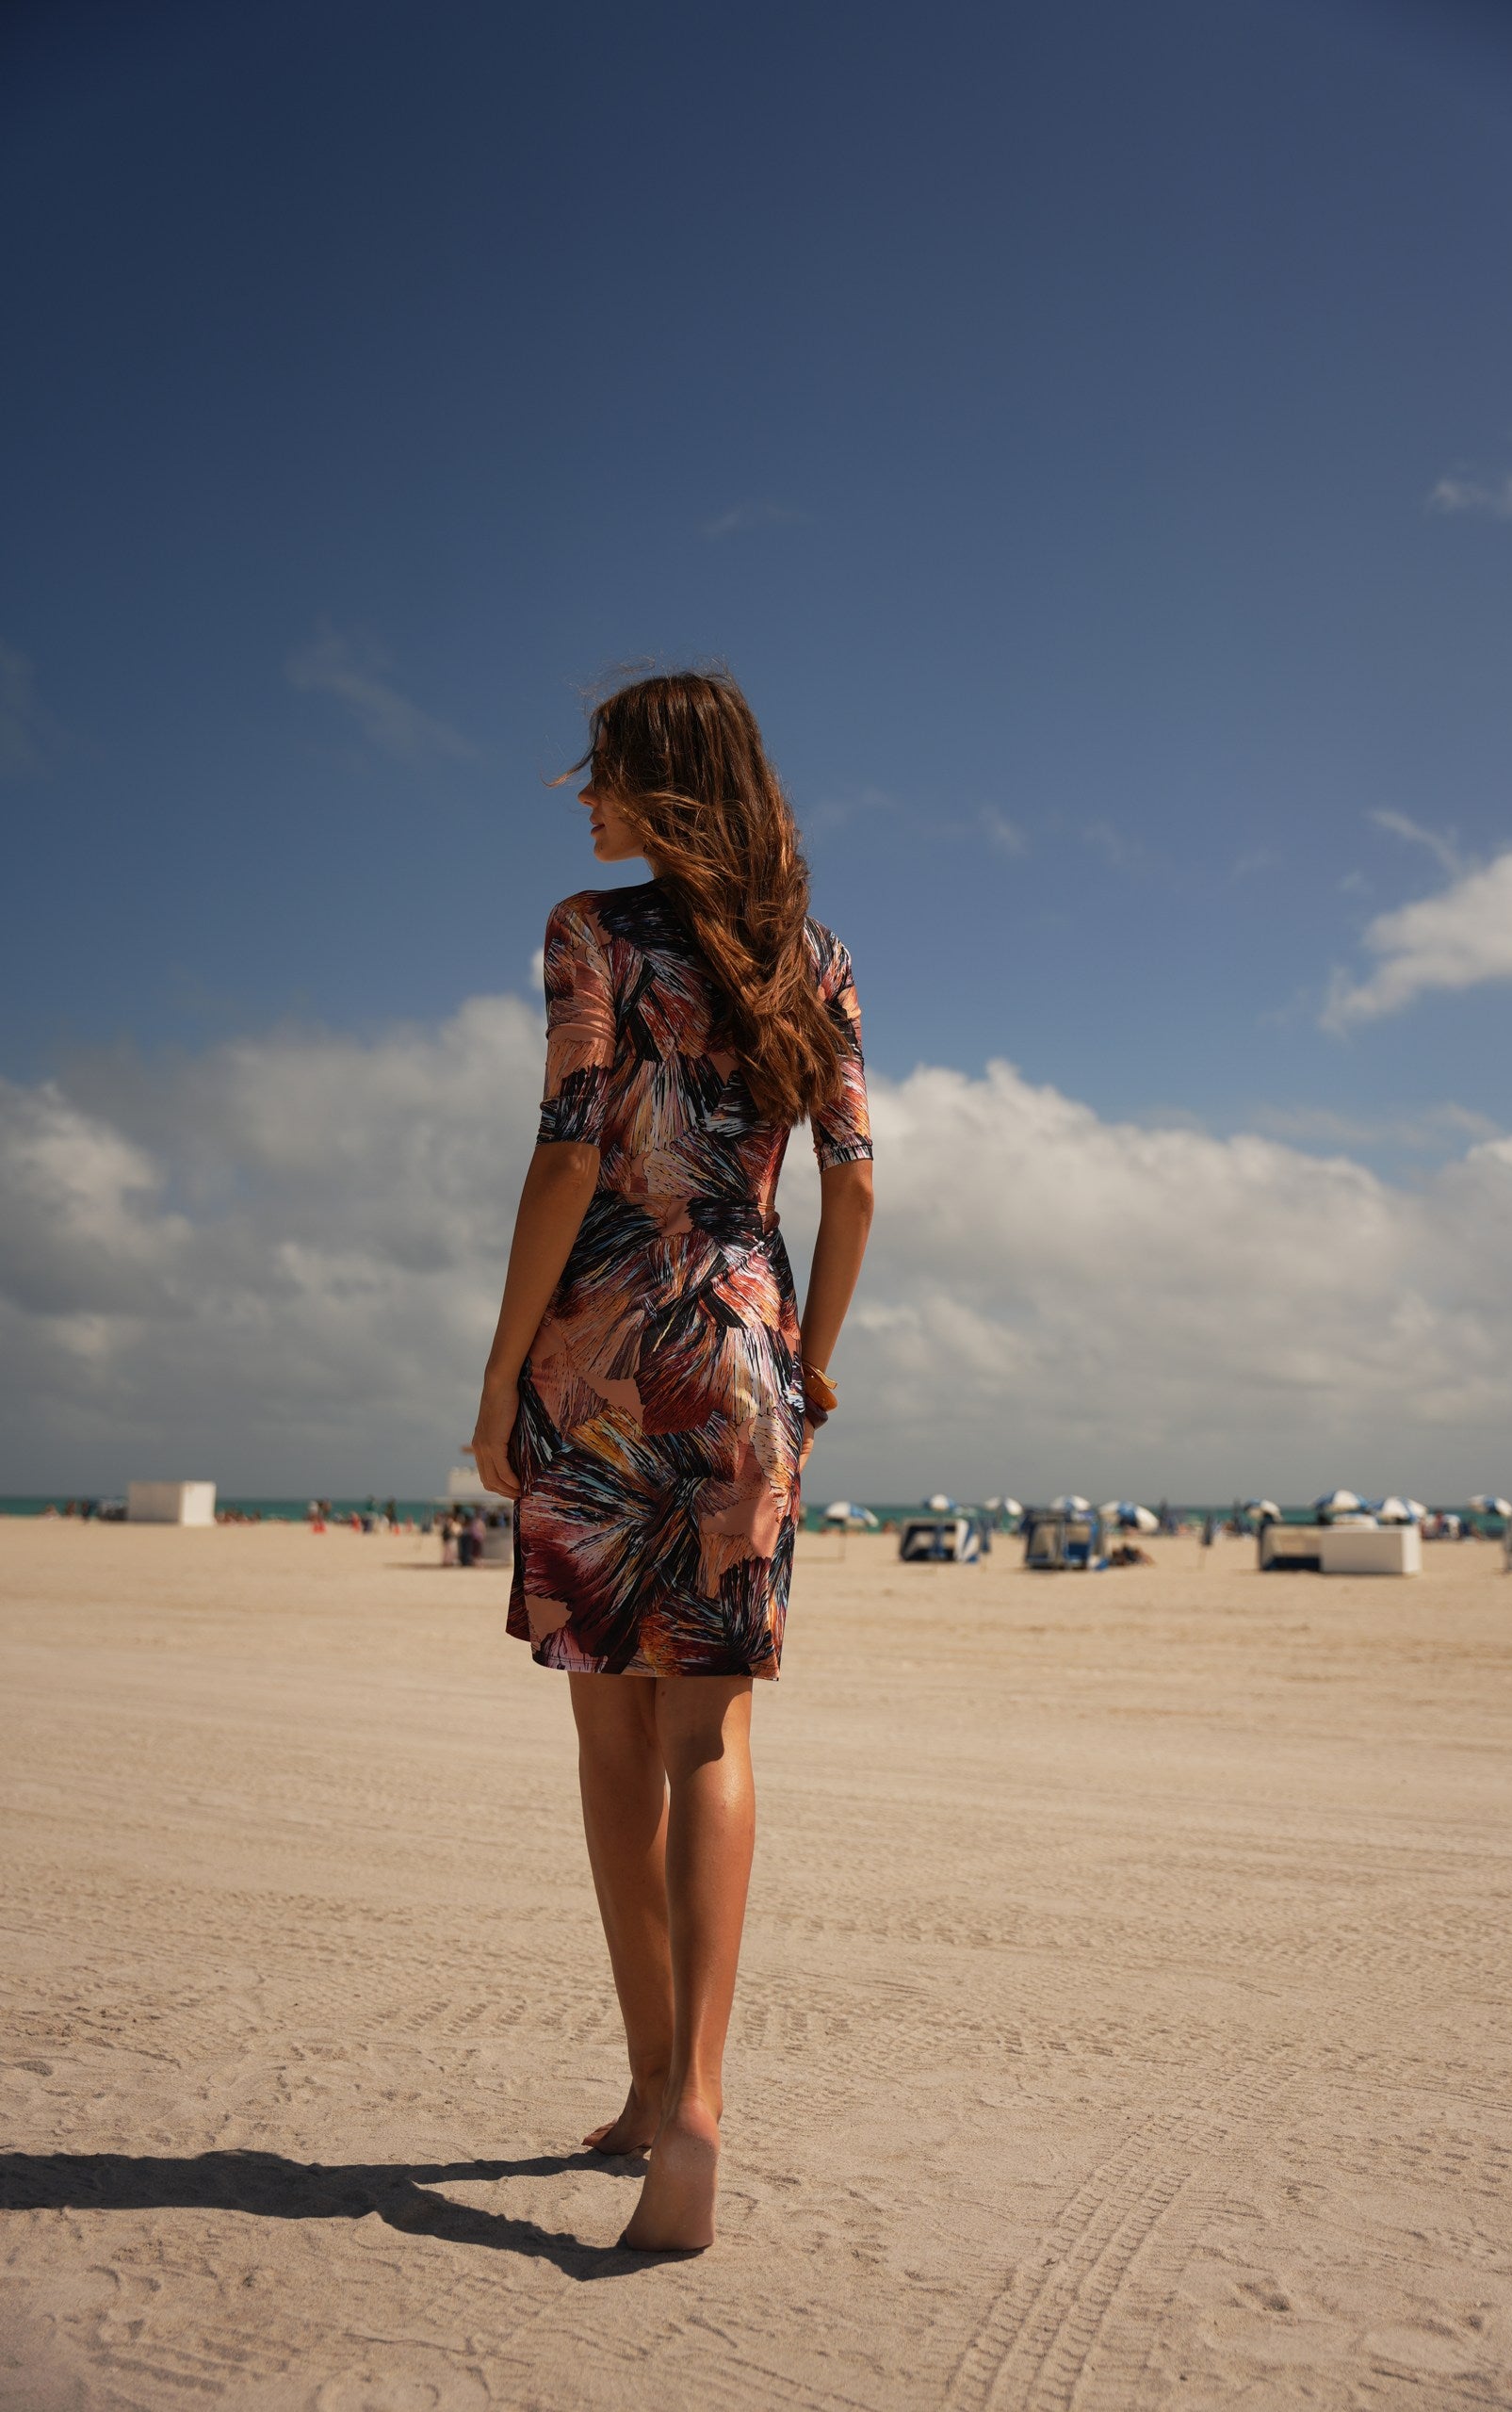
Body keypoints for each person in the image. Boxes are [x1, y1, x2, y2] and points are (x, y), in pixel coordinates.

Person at [472, 669, 874, 2253]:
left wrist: (501, 1374)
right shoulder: (811, 958)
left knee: (608, 1742)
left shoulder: (592, 934)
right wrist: (807, 1359)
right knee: (709, 1738)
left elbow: (571, 1152)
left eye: (605, 773)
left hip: (599, 1364)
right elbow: (853, 1183)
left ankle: (650, 2081)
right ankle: (690, 2105)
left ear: (662, 787)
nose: (584, 799)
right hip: (744, 1359)